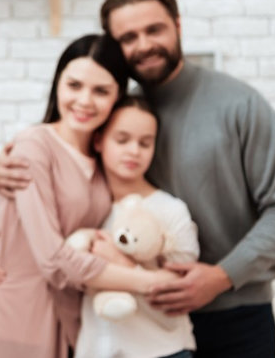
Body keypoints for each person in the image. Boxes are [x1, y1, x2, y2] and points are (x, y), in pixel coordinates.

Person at [0, 0, 275, 358]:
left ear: (177, 24)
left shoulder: (239, 104)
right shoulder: (113, 114)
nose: (143, 44)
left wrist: (221, 277)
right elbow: (63, 175)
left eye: (154, 29)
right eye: (128, 37)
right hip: (137, 318)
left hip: (233, 310)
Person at [0, 35, 179, 358]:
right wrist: (150, 282)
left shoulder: (104, 155)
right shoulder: (33, 146)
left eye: (101, 91)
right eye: (74, 85)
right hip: (16, 322)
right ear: (57, 84)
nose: (84, 100)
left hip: (74, 322)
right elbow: (53, 260)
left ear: (118, 95)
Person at [74, 96, 200, 358]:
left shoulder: (171, 210)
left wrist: (118, 261)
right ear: (98, 141)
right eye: (122, 140)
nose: (134, 151)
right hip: (94, 350)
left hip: (161, 351)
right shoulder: (83, 206)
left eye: (145, 143)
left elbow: (181, 290)